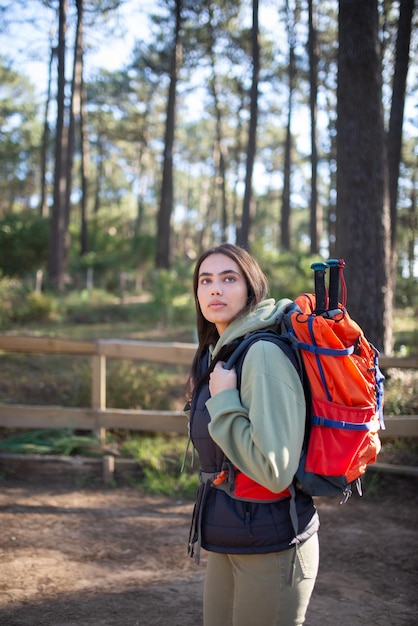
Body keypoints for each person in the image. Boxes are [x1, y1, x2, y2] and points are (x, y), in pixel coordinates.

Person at [185, 243, 320, 626]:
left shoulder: (261, 353)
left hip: (274, 546)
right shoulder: (223, 351)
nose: (215, 289)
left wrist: (225, 399)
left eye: (229, 279)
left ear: (250, 288)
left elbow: (273, 468)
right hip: (233, 532)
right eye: (205, 280)